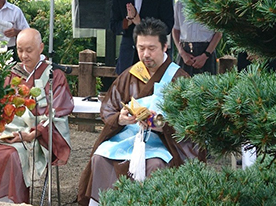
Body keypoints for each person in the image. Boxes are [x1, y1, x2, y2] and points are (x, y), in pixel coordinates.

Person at [78, 18, 205, 206]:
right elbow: (109, 109)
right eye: (141, 48)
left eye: (152, 48)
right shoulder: (129, 75)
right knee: (100, 158)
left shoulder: (179, 79)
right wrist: (120, 119)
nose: (146, 54)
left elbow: (193, 123)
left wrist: (162, 125)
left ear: (165, 46)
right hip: (126, 140)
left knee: (155, 165)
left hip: (162, 144)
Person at [0, 28, 74, 204]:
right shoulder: (11, 72)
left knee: (13, 155)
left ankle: (12, 202)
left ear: (41, 47)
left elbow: (57, 112)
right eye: (20, 50)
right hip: (7, 132)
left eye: (29, 50)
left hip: (36, 135)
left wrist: (34, 132)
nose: (23, 55)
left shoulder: (54, 76)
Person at [110, 0, 174, 75]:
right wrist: (128, 21)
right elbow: (113, 26)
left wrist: (140, 22)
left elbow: (167, 26)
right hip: (127, 55)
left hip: (152, 54)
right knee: (126, 92)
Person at [172, 0, 222, 75]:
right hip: (185, 52)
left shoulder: (212, 4)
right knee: (181, 88)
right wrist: (181, 52)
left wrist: (206, 55)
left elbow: (218, 33)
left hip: (206, 50)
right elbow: (175, 30)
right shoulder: (180, 4)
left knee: (207, 90)